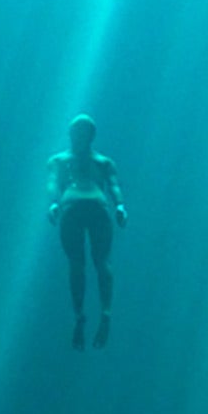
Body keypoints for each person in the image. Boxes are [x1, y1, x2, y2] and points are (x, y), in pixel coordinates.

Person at [47, 114, 127, 350]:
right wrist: (53, 203)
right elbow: (53, 184)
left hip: (86, 207)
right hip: (78, 207)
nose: (78, 137)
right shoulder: (60, 161)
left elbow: (114, 185)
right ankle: (84, 314)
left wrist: (120, 205)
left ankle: (102, 313)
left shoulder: (103, 162)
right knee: (81, 263)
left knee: (96, 263)